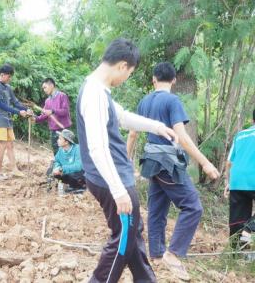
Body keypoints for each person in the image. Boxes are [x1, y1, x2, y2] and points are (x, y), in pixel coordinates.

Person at [77, 38, 178, 283]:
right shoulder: (95, 94)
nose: (127, 78)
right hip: (111, 180)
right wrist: (119, 191)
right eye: (130, 73)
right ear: (122, 66)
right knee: (122, 239)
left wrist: (157, 126)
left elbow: (121, 117)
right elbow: (97, 148)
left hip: (112, 178)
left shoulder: (98, 90)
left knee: (132, 234)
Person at [127, 62, 220, 281]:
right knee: (193, 206)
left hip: (150, 163)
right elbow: (183, 137)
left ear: (153, 79)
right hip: (168, 163)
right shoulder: (172, 100)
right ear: (174, 80)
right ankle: (174, 253)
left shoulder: (144, 101)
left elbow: (133, 134)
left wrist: (127, 161)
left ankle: (157, 256)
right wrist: (205, 163)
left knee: (157, 209)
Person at [0, 63, 30, 177]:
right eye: (8, 76)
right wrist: (18, 112)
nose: (9, 78)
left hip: (8, 120)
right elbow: (1, 105)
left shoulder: (8, 87)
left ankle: (14, 169)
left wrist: (27, 109)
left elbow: (15, 102)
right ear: (2, 75)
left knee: (10, 145)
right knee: (2, 145)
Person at [224, 109, 255, 246]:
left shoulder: (240, 135)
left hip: (237, 180)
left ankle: (237, 252)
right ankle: (249, 228)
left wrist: (228, 182)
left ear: (252, 120)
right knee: (246, 225)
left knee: (238, 218)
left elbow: (229, 162)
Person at [35, 78, 72, 155]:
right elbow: (44, 115)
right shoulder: (47, 100)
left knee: (65, 151)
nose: (44, 90)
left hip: (63, 129)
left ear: (51, 85)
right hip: (53, 130)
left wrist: (53, 111)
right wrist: (35, 119)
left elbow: (65, 111)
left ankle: (65, 167)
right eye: (43, 88)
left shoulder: (62, 96)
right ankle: (57, 166)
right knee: (56, 151)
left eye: (45, 87)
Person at [52, 129, 85, 193]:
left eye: (60, 139)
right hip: (67, 173)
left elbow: (79, 166)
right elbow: (57, 161)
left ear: (66, 142)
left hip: (79, 174)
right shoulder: (61, 150)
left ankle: (81, 187)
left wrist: (62, 169)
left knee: (74, 174)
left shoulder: (77, 149)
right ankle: (71, 186)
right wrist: (57, 167)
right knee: (56, 174)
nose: (57, 140)